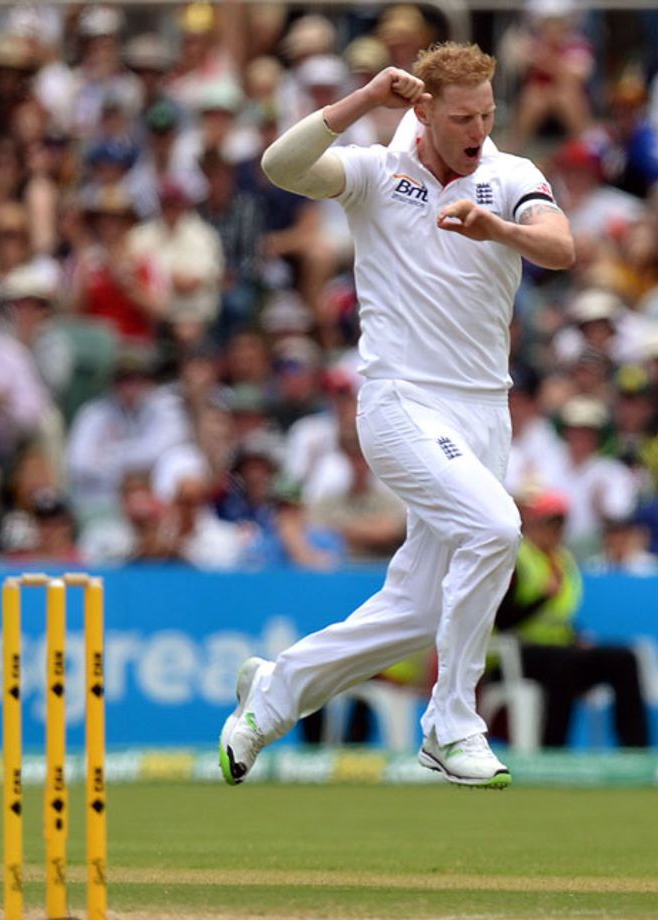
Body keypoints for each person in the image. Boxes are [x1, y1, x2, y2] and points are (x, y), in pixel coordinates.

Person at [218, 44, 575, 790]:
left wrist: (498, 231)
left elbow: (562, 245)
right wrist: (361, 98)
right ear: (421, 108)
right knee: (496, 528)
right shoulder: (376, 172)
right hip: (400, 400)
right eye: (461, 116)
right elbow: (281, 167)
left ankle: (272, 694)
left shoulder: (510, 177)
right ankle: (450, 722)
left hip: (484, 411)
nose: (478, 128)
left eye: (487, 112)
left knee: (416, 611)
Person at [494, 490, 650, 747]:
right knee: (565, 664)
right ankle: (553, 747)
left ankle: (634, 749)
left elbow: (560, 618)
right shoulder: (515, 559)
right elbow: (503, 620)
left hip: (558, 649)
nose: (554, 532)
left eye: (559, 525)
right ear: (532, 524)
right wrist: (543, 598)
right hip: (516, 653)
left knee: (624, 659)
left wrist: (578, 636)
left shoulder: (564, 562)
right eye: (548, 524)